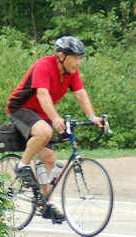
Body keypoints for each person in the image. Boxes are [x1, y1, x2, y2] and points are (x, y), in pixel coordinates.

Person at [6, 35, 106, 222]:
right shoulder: (44, 65)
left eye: (80, 58)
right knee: (45, 131)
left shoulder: (71, 73)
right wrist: (55, 118)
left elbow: (80, 93)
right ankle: (23, 165)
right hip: (21, 108)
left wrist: (92, 117)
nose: (79, 62)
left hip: (41, 113)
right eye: (75, 57)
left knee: (49, 159)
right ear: (62, 56)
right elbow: (42, 93)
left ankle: (47, 203)